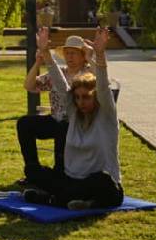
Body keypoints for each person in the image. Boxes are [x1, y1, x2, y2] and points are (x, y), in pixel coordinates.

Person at [23, 26, 124, 210]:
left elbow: (102, 85)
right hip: (72, 181)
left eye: (86, 97)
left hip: (101, 184)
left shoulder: (106, 115)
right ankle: (69, 199)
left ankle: (57, 199)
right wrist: (45, 52)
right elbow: (61, 85)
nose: (81, 102)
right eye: (77, 98)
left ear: (96, 98)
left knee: (104, 182)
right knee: (32, 171)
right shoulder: (74, 113)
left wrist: (99, 55)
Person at [18, 30, 92, 177]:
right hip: (56, 119)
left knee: (63, 127)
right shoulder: (58, 73)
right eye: (67, 52)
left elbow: (102, 85)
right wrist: (38, 62)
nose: (69, 56)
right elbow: (29, 85)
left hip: (78, 123)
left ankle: (60, 172)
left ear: (83, 56)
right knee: (24, 123)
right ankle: (33, 169)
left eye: (74, 53)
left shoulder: (89, 74)